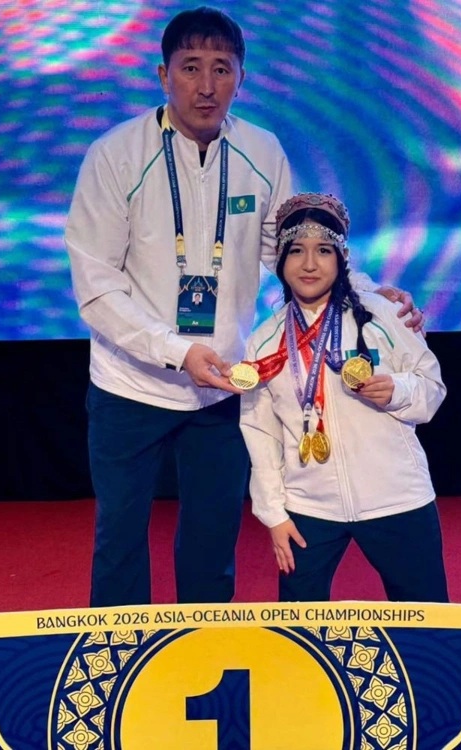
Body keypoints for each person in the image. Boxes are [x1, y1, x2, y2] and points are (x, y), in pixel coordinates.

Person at [64, 7, 422, 607]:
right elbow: (96, 286)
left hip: (224, 385)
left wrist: (364, 292)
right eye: (190, 68)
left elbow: (293, 248)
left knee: (212, 541)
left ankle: (203, 645)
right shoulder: (116, 155)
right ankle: (118, 655)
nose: (206, 86)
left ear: (241, 78)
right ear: (163, 75)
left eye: (221, 69)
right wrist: (177, 351)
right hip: (129, 385)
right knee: (120, 538)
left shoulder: (261, 150)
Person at [238, 193, 449, 603]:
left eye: (323, 250)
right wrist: (274, 513)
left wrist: (398, 390)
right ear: (280, 260)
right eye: (296, 251)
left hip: (397, 498)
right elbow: (260, 432)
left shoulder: (382, 316)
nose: (309, 264)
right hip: (308, 508)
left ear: (342, 258)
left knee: (427, 624)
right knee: (299, 628)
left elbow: (432, 387)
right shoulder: (264, 341)